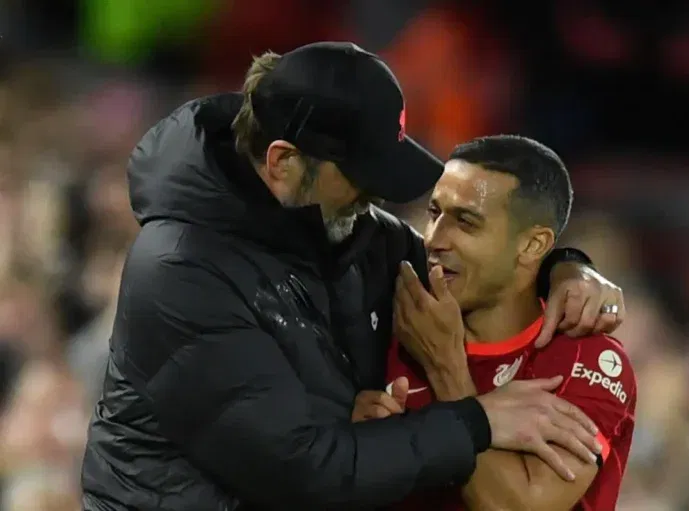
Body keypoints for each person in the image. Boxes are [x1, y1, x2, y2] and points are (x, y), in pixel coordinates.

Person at [80, 42, 626, 510]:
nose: (377, 194)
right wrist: (475, 421)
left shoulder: (348, 227)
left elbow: (476, 269)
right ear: (282, 162)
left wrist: (564, 270)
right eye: (362, 174)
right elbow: (305, 470)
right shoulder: (181, 271)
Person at [366, 135, 637, 510]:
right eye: (434, 213)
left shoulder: (583, 358)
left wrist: (448, 372)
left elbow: (517, 507)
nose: (434, 239)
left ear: (532, 245)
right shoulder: (392, 321)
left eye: (466, 222)